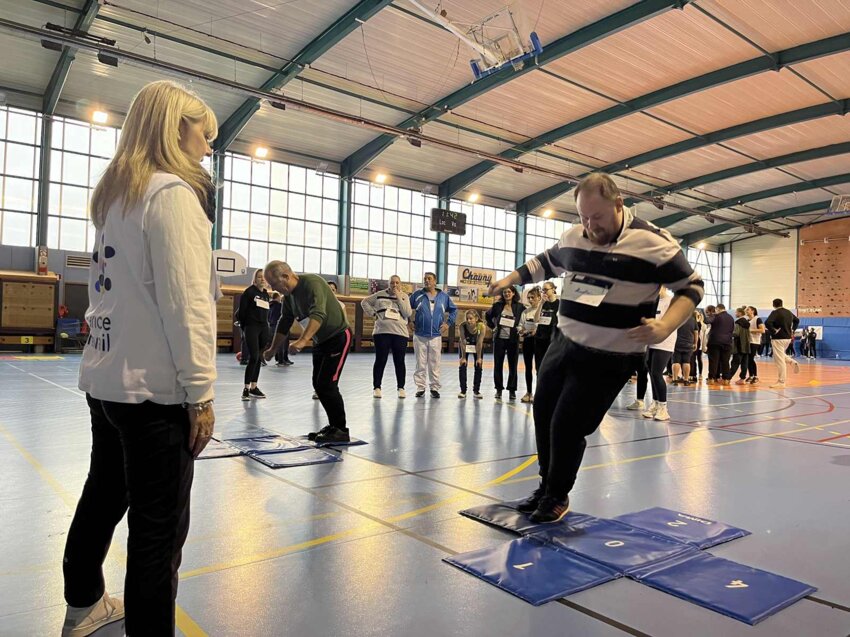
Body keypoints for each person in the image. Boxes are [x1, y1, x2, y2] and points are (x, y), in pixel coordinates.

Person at [64, 81, 217, 636]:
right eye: (204, 134)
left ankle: (82, 604)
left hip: (105, 382)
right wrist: (200, 392)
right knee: (158, 532)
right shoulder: (171, 193)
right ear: (178, 128)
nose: (206, 148)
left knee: (103, 494)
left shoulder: (115, 194)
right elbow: (187, 304)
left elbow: (103, 292)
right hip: (153, 392)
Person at [488, 172, 703, 522]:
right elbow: (546, 262)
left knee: (568, 425)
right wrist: (511, 279)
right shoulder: (576, 235)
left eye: (597, 217)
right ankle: (546, 485)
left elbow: (692, 288)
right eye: (583, 217)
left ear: (619, 204)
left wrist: (665, 325)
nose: (590, 226)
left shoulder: (654, 243)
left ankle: (557, 496)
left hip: (609, 356)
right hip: (564, 342)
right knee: (543, 414)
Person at [263, 262, 352, 442]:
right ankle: (333, 426)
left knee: (327, 384)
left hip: (338, 337)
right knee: (318, 384)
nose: (274, 289)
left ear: (286, 277)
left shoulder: (313, 283)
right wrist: (273, 349)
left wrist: (303, 340)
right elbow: (284, 322)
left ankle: (341, 430)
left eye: (274, 284)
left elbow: (318, 313)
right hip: (321, 341)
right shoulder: (289, 298)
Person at [361, 275, 412, 399]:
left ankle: (401, 388)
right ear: (388, 284)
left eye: (397, 282)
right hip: (381, 332)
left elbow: (407, 313)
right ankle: (377, 387)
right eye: (392, 283)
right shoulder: (379, 295)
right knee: (380, 360)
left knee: (399, 361)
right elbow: (364, 302)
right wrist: (373, 314)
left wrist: (398, 297)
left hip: (400, 333)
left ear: (400, 284)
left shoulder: (404, 296)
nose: (394, 285)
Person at [628, 288, 676, 420]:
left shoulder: (671, 301)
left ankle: (663, 408)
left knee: (656, 373)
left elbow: (670, 324)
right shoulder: (653, 302)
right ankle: (655, 403)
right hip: (651, 342)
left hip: (664, 342)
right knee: (651, 372)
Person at [410, 272, 457, 398]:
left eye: (429, 279)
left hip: (436, 335)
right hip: (420, 335)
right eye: (425, 279)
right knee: (420, 362)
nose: (426, 281)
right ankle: (420, 387)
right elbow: (406, 309)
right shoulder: (417, 295)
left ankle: (434, 387)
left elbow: (454, 310)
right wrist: (409, 321)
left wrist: (448, 324)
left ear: (435, 281)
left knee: (434, 362)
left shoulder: (443, 296)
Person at [485, 286, 523, 401]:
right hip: (499, 339)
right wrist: (493, 327)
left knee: (513, 365)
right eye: (505, 292)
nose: (507, 294)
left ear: (513, 293)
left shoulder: (520, 307)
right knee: (498, 365)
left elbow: (526, 318)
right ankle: (498, 389)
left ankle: (512, 390)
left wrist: (522, 329)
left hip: (513, 340)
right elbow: (487, 316)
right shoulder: (497, 306)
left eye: (509, 292)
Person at [238, 270, 270, 401]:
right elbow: (241, 313)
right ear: (255, 279)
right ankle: (246, 388)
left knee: (259, 358)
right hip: (251, 327)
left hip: (264, 328)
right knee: (254, 356)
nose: (262, 279)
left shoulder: (266, 294)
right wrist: (245, 328)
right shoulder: (249, 292)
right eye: (259, 277)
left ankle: (254, 387)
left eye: (264, 278)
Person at [765, 298, 800, 388]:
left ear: (773, 305)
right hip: (787, 338)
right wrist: (793, 329)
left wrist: (773, 331)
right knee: (780, 355)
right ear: (782, 303)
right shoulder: (788, 312)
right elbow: (797, 320)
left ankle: (781, 382)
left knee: (779, 360)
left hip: (778, 338)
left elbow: (767, 322)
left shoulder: (775, 312)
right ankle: (792, 362)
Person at [519, 286, 542, 403]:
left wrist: (536, 331)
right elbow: (520, 325)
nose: (530, 300)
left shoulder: (543, 310)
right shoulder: (525, 312)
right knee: (528, 368)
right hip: (527, 341)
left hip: (539, 342)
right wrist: (521, 330)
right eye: (528, 298)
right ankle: (529, 392)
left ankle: (539, 393)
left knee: (539, 368)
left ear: (539, 297)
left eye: (532, 297)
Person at [457, 310, 485, 399]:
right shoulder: (462, 326)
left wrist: (479, 358)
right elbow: (462, 341)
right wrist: (463, 357)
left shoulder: (481, 326)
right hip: (465, 346)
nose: (469, 321)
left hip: (477, 345)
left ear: (476, 318)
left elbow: (479, 343)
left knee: (478, 365)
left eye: (471, 318)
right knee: (463, 364)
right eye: (467, 319)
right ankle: (463, 391)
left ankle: (476, 391)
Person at [705, 304, 734, 385]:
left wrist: (707, 315)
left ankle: (711, 379)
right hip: (727, 342)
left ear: (718, 309)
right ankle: (726, 380)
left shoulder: (716, 316)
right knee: (725, 361)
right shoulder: (731, 317)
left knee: (713, 361)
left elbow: (706, 321)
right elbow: (732, 330)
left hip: (715, 342)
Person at [671, 304, 698, 386]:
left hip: (676, 343)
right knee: (687, 362)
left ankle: (675, 380)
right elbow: (696, 333)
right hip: (688, 344)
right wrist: (695, 343)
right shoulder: (693, 320)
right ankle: (686, 380)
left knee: (676, 361)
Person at [534, 281, 560, 365]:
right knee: (539, 363)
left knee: (551, 364)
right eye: (542, 290)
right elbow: (536, 319)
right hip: (540, 337)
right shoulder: (541, 303)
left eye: (546, 289)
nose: (544, 292)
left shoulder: (559, 303)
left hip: (552, 338)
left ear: (553, 289)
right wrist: (541, 303)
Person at [268, 291, 293, 366]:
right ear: (278, 297)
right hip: (281, 325)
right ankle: (282, 360)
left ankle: (278, 359)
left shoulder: (269, 306)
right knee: (282, 344)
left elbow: (268, 317)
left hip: (272, 326)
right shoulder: (279, 306)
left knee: (277, 343)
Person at [729, 307, 751, 385]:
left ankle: (728, 378)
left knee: (735, 362)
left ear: (740, 313)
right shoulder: (747, 322)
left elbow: (736, 333)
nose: (735, 314)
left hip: (738, 345)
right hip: (746, 345)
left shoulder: (738, 322)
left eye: (736, 312)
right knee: (744, 363)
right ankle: (742, 379)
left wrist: (728, 333)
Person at [745, 306, 763, 383]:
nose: (746, 311)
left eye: (748, 310)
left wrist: (750, 330)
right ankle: (751, 375)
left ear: (753, 311)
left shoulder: (757, 319)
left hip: (754, 341)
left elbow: (762, 330)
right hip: (748, 341)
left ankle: (755, 376)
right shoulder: (747, 320)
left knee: (751, 358)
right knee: (748, 359)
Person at [690, 310, 706, 383]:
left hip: (698, 342)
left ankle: (698, 374)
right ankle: (694, 375)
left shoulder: (702, 324)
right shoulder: (694, 323)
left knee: (697, 359)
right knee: (694, 359)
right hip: (695, 342)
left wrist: (703, 346)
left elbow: (703, 336)